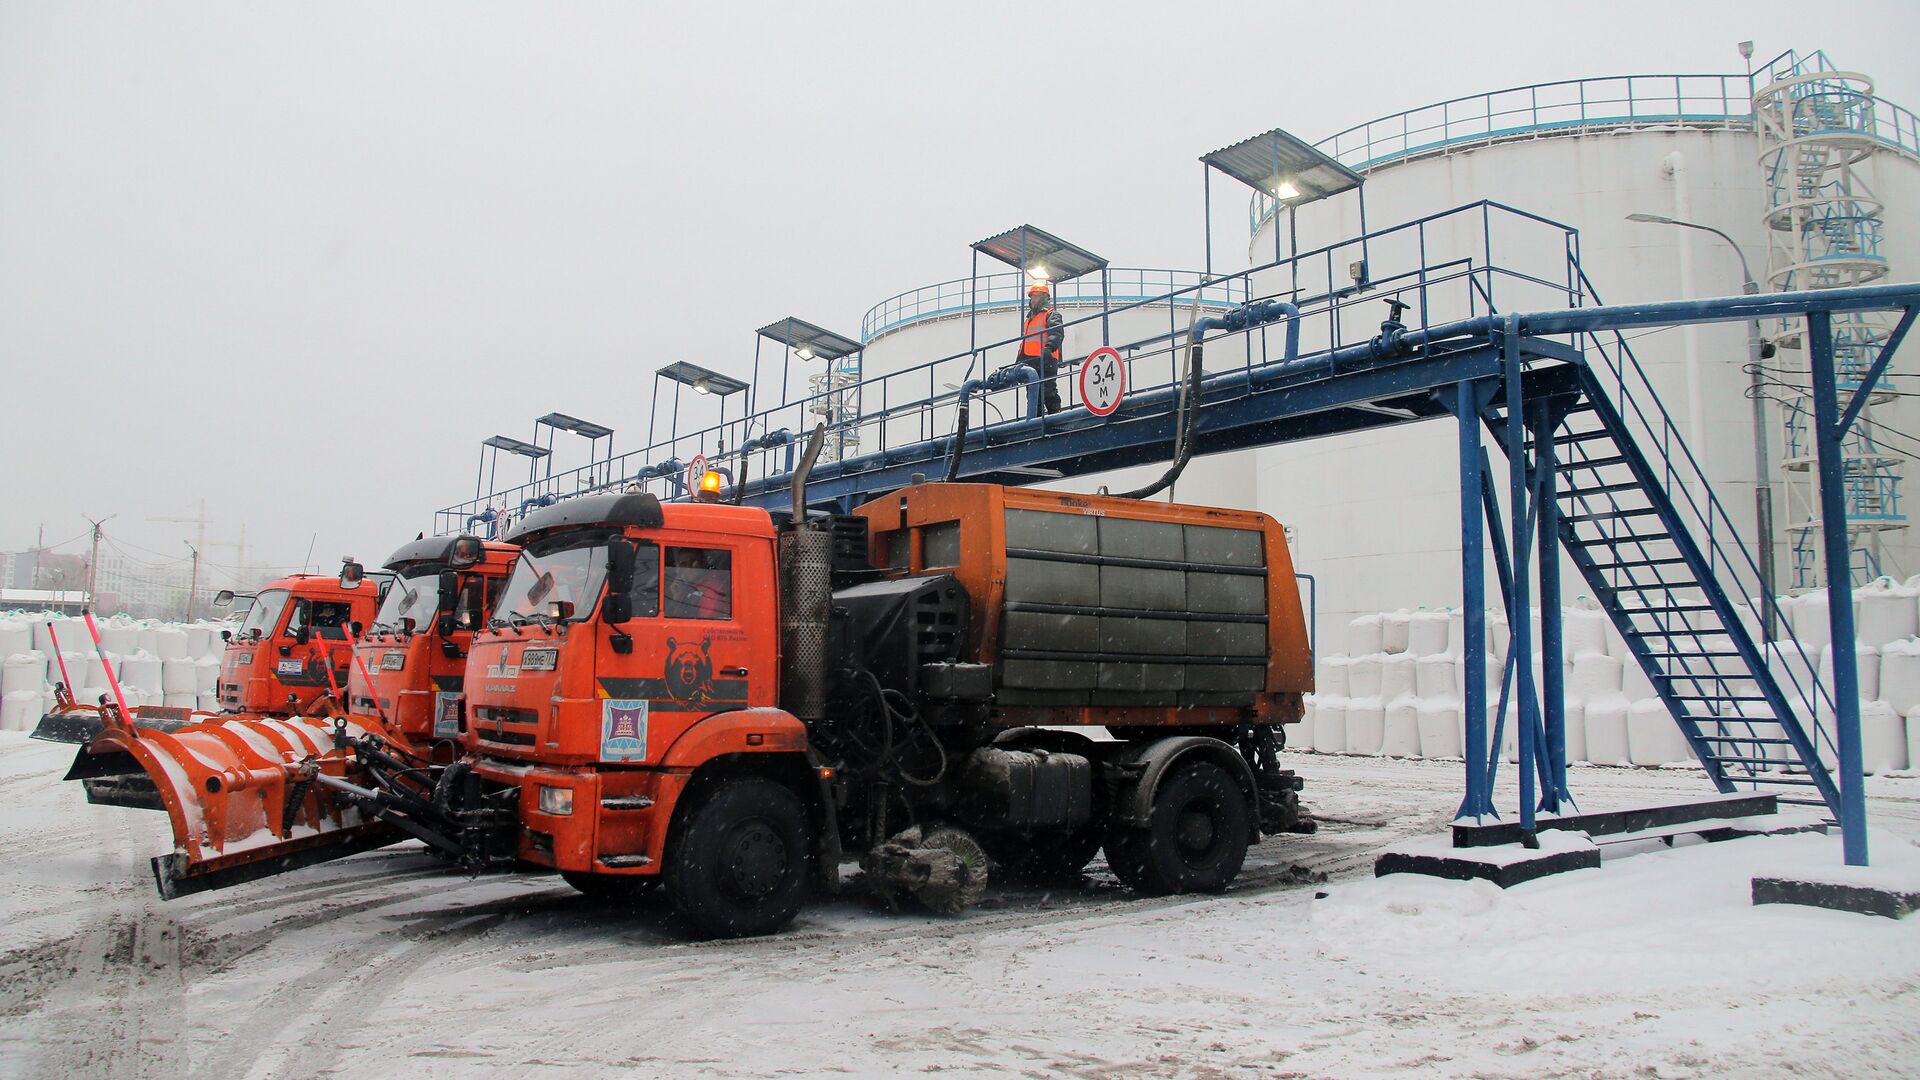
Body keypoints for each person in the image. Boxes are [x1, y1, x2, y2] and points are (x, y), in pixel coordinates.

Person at [1017, 282, 1065, 414]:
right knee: (1033, 394)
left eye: (1036, 296)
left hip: (1046, 359)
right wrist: (1019, 360)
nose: (1033, 299)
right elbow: (1025, 342)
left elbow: (1057, 333)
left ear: (1044, 297)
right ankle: (1037, 421)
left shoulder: (1051, 314)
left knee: (1048, 390)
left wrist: (1049, 348)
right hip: (1030, 362)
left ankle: (1055, 417)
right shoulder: (1029, 319)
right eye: (1032, 297)